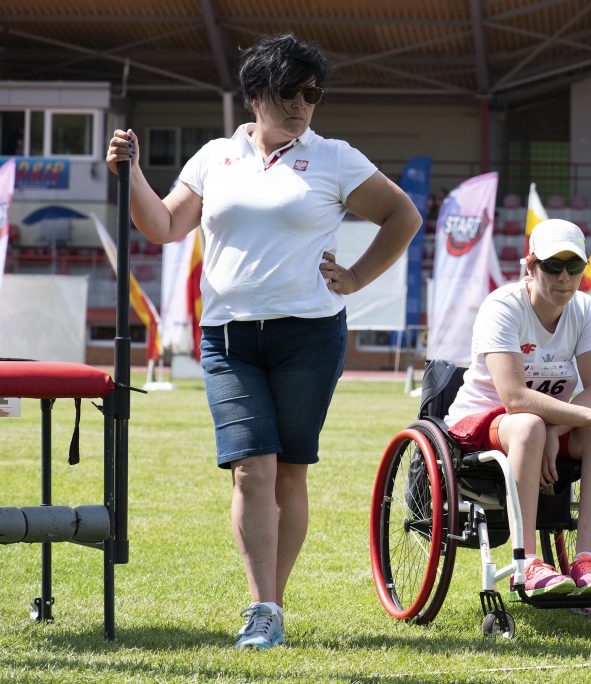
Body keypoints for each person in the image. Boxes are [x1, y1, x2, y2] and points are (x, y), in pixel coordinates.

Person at [105, 34, 421, 649]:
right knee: (251, 468)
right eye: (290, 92)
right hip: (227, 337)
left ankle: (272, 607)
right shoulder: (214, 158)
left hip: (311, 335)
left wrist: (355, 278)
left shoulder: (334, 157)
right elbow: (165, 226)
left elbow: (402, 215)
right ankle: (263, 607)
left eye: (313, 92)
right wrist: (133, 173)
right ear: (256, 96)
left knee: (289, 475)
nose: (304, 103)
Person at [443, 218, 591, 598]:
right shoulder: (502, 306)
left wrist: (557, 429)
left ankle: (586, 559)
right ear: (529, 266)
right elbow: (513, 397)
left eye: (574, 267)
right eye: (552, 266)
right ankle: (528, 561)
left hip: (542, 425)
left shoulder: (582, 308)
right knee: (532, 423)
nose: (564, 277)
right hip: (484, 422)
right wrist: (584, 418)